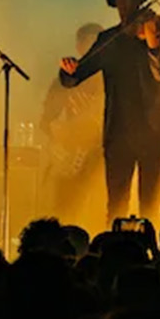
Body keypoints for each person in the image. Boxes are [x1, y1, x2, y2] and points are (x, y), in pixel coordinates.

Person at [58, 0, 160, 226]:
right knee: (116, 204)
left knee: (150, 204)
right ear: (112, 0)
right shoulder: (108, 38)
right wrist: (67, 70)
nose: (126, 1)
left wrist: (152, 45)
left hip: (153, 129)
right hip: (118, 131)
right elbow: (76, 76)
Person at [40, 22, 106, 226]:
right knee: (65, 213)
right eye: (88, 43)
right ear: (78, 46)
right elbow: (46, 120)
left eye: (97, 43)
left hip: (99, 155)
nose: (93, 48)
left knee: (101, 211)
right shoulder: (64, 78)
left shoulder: (109, 79)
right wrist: (56, 145)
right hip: (69, 157)